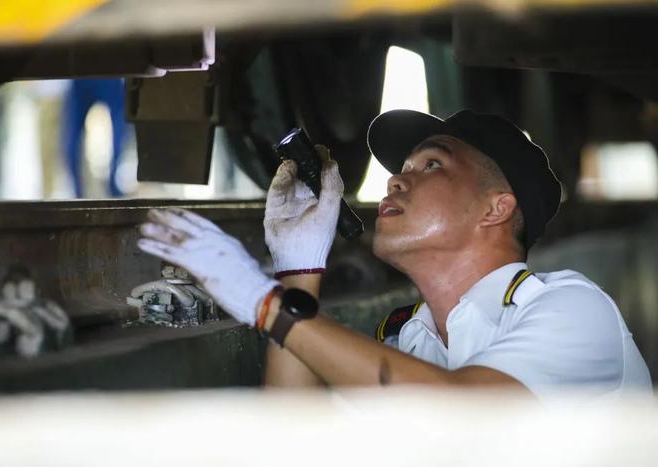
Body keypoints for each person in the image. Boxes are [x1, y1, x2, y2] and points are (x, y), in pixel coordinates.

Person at [137, 109, 652, 399]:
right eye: (404, 164)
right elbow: (296, 443)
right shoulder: (412, 343)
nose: (395, 178)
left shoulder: (571, 309)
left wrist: (265, 304)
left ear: (496, 209)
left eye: (432, 165)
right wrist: (297, 273)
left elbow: (464, 412)